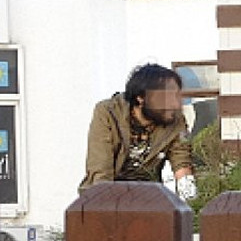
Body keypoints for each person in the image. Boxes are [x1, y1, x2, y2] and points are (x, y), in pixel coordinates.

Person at [79, 63, 195, 198]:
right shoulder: (108, 113)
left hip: (148, 196)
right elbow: (100, 169)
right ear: (141, 98)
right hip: (105, 194)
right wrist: (106, 205)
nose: (174, 104)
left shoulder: (175, 119)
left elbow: (182, 162)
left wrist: (191, 201)